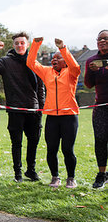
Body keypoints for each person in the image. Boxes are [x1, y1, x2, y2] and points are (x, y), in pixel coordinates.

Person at [0, 32, 45, 182]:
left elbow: (41, 87)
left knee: (33, 142)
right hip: (15, 109)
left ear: (27, 44)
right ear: (13, 45)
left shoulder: (33, 61)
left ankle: (31, 170)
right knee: (16, 143)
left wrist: (41, 108)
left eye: (22, 43)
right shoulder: (6, 62)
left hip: (33, 109)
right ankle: (17, 173)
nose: (20, 45)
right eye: (17, 43)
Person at [27, 37, 80, 188]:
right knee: (51, 149)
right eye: (53, 58)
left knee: (68, 150)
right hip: (52, 117)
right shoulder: (47, 72)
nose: (54, 60)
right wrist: (36, 44)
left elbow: (75, 66)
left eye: (58, 58)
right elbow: (31, 63)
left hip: (69, 117)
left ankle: (71, 178)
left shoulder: (71, 73)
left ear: (65, 61)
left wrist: (63, 48)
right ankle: (55, 177)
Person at [84, 29, 108, 189]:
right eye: (99, 39)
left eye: (105, 39)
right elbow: (88, 84)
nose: (102, 41)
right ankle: (102, 174)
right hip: (100, 107)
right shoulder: (92, 60)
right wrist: (91, 72)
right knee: (100, 140)